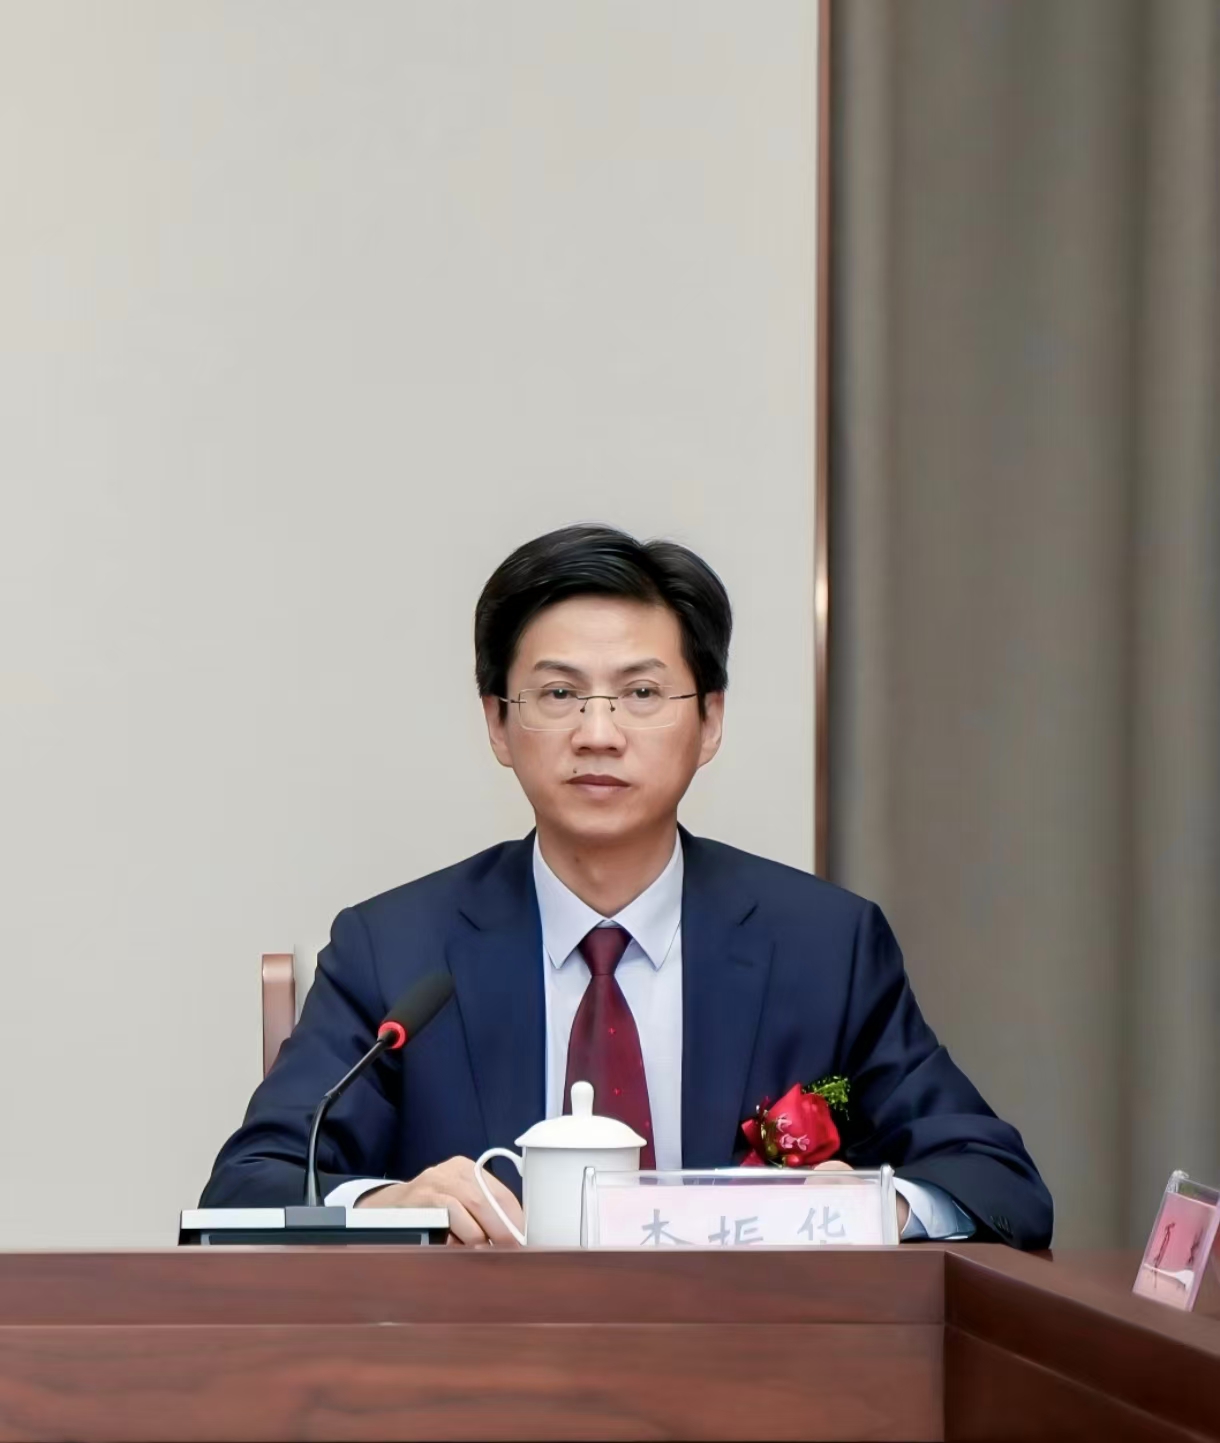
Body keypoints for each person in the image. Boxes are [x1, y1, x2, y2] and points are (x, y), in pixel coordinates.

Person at [202, 524, 1052, 1248]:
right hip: (474, 1369)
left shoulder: (823, 946)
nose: (598, 732)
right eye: (558, 693)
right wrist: (389, 1206)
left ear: (709, 720)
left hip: (746, 1369)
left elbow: (994, 1178)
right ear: (498, 723)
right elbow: (250, 1186)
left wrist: (864, 1209)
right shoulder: (397, 951)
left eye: (641, 692)